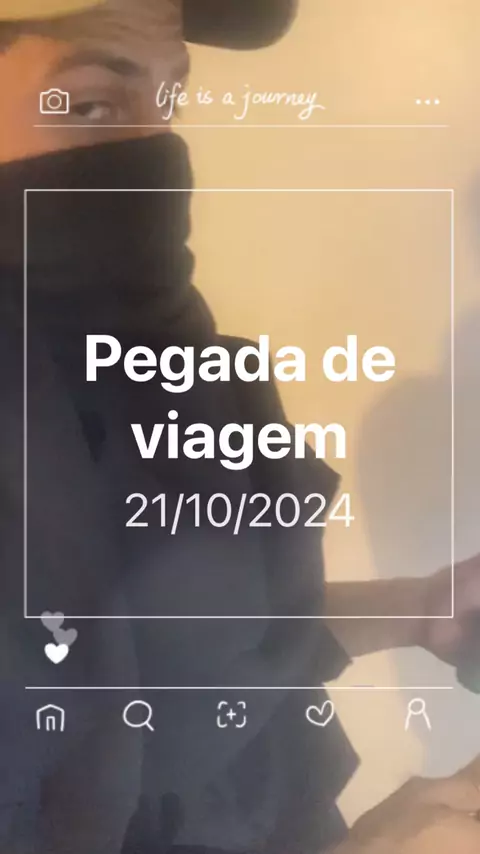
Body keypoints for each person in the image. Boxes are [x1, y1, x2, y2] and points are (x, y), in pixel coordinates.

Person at [0, 1, 479, 853]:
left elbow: (176, 664)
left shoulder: (146, 357)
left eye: (168, 100)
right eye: (90, 104)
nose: (158, 154)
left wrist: (415, 610)